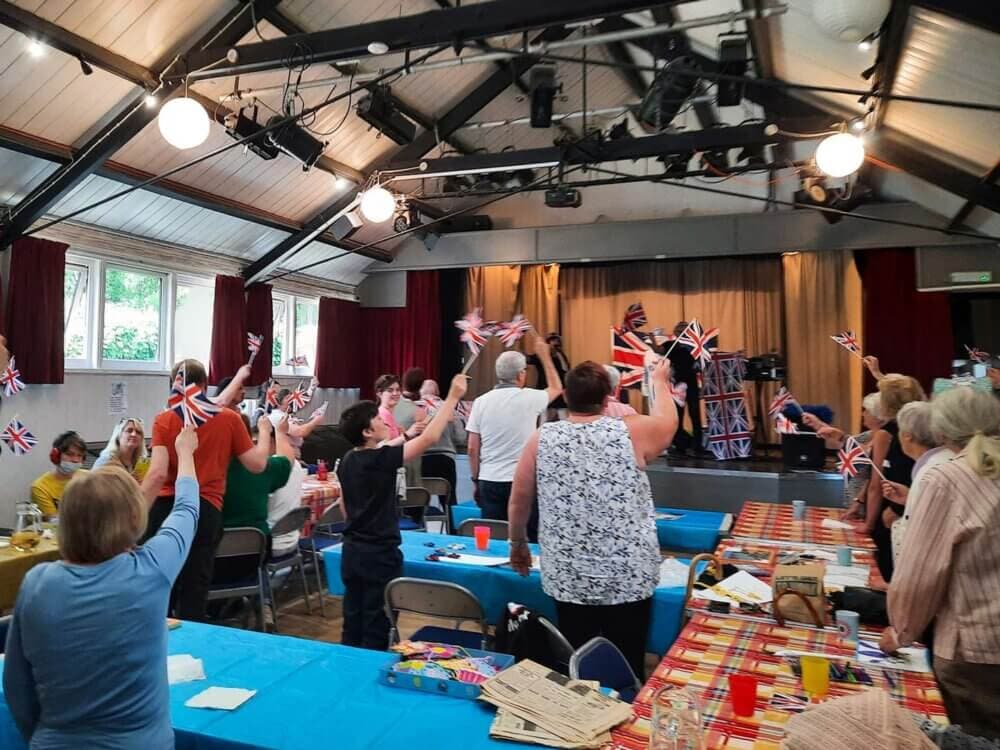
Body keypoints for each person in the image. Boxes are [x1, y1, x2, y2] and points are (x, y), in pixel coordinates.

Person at [3, 426, 200, 749]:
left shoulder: (37, 583)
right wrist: (187, 453)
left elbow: (16, 686)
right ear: (134, 518)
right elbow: (187, 510)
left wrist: (43, 737)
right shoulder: (151, 570)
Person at [508, 358, 678, 677]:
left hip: (569, 575)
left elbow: (519, 498)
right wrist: (658, 381)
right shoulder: (632, 430)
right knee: (628, 664)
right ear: (608, 397)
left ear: (567, 397)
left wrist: (518, 543)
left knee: (579, 663)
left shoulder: (541, 438)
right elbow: (668, 423)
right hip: (628, 575)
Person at [882, 386, 1000, 739]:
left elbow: (920, 575)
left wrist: (901, 631)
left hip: (974, 645)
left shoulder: (945, 476)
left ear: (942, 432)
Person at [336, 373, 467, 650]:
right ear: (367, 432)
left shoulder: (349, 459)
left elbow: (344, 506)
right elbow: (430, 437)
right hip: (378, 553)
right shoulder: (379, 460)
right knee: (377, 621)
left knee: (353, 617)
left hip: (352, 549)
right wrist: (453, 397)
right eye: (377, 418)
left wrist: (407, 435)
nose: (384, 419)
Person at [140, 358, 272, 621]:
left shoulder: (164, 420)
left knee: (158, 581)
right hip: (206, 509)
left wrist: (135, 514)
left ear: (174, 385)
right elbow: (256, 465)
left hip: (166, 507)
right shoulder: (229, 419)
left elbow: (157, 474)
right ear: (205, 384)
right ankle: (192, 646)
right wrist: (266, 433)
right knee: (195, 586)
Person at [466, 335, 561, 540]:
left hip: (489, 479)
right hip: (523, 479)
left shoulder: (481, 402)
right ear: (520, 375)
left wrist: (475, 479)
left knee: (495, 539)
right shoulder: (530, 397)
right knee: (529, 536)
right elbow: (556, 388)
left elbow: (473, 448)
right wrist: (545, 357)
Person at [865, 374, 925, 582]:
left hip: (899, 512)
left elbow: (876, 483)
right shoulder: (914, 427)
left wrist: (870, 525)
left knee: (891, 573)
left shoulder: (894, 433)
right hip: (908, 506)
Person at [882, 401, 955, 563]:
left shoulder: (932, 471)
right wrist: (909, 499)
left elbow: (923, 535)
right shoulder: (941, 461)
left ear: (907, 435)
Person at [417, 378, 466, 508]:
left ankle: (417, 526)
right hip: (445, 460)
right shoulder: (449, 409)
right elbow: (460, 438)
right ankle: (451, 527)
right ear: (437, 392)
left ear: (421, 392)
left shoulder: (414, 409)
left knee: (416, 499)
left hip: (420, 460)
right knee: (449, 501)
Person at [666, 321, 707, 457]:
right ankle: (679, 446)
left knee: (695, 415)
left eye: (685, 331)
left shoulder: (693, 348)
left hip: (692, 385)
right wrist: (653, 337)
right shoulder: (671, 346)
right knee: (678, 416)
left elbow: (702, 365)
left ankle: (698, 446)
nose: (682, 333)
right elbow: (658, 350)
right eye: (679, 331)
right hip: (678, 386)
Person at [30, 431, 88, 518]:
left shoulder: (91, 478)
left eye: (79, 456)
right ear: (55, 456)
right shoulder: (40, 487)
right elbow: (54, 521)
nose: (75, 460)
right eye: (69, 454)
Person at [527, 333, 571, 420]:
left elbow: (565, 370)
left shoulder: (560, 356)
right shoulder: (540, 356)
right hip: (545, 390)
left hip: (559, 392)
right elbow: (528, 359)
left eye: (557, 341)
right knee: (544, 416)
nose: (555, 343)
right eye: (553, 341)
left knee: (563, 416)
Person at [93, 417, 150, 482]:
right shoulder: (106, 461)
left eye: (138, 432)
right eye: (129, 430)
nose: (134, 434)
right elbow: (93, 486)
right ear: (118, 436)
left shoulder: (141, 463)